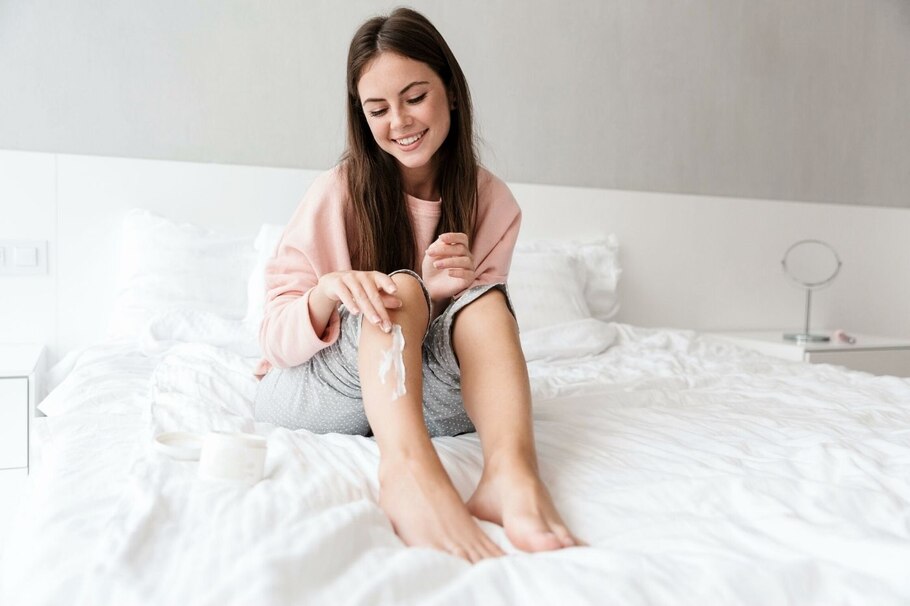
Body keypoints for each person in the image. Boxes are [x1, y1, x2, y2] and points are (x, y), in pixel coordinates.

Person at [254, 7, 579, 562]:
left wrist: (444, 293)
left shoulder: (491, 201)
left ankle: (512, 475)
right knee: (400, 289)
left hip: (425, 395)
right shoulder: (338, 191)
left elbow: (478, 334)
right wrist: (330, 292)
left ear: (451, 92)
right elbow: (273, 340)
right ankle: (406, 471)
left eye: (414, 97)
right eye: (378, 109)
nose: (399, 122)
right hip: (319, 390)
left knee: (484, 303)